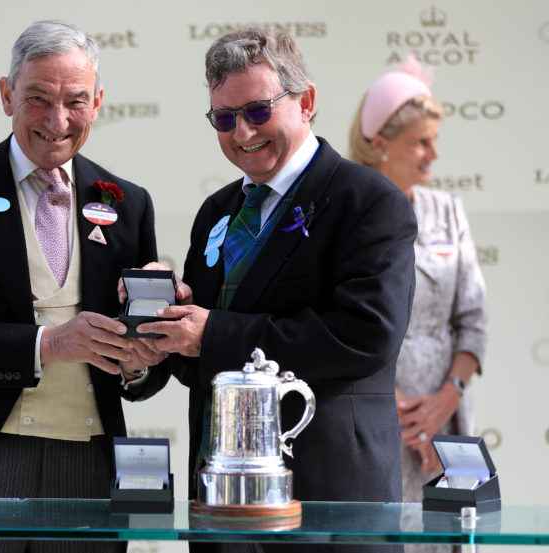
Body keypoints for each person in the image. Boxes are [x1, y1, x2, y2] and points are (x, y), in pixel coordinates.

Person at [134, 27, 417, 553]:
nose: (242, 132)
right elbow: (203, 359)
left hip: (328, 505)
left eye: (258, 111)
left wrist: (211, 332)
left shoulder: (367, 201)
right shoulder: (217, 211)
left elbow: (365, 335)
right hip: (221, 507)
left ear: (306, 101)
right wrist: (159, 333)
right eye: (224, 118)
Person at [0, 19, 164, 553]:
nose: (57, 120)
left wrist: (141, 357)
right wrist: (47, 344)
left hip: (96, 463)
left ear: (98, 102)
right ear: (6, 94)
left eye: (75, 101)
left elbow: (146, 375)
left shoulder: (128, 203)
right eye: (38, 98)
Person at [349, 55, 487, 552]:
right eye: (421, 142)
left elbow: (472, 321)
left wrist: (446, 400)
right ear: (380, 142)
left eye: (435, 140)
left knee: (451, 542)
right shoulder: (347, 209)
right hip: (374, 420)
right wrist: (398, 410)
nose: (433, 154)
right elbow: (342, 323)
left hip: (448, 423)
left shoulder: (447, 211)